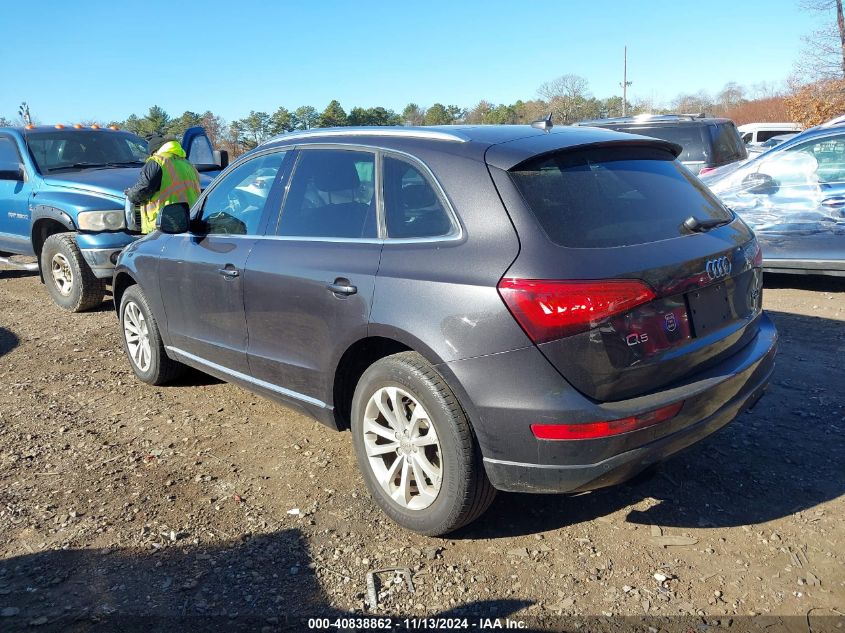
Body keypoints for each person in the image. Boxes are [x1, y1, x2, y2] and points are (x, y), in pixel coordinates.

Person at [125, 135, 201, 233]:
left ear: (155, 151)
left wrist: (131, 194)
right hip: (189, 221)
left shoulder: (157, 161)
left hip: (165, 224)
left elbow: (143, 189)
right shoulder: (188, 164)